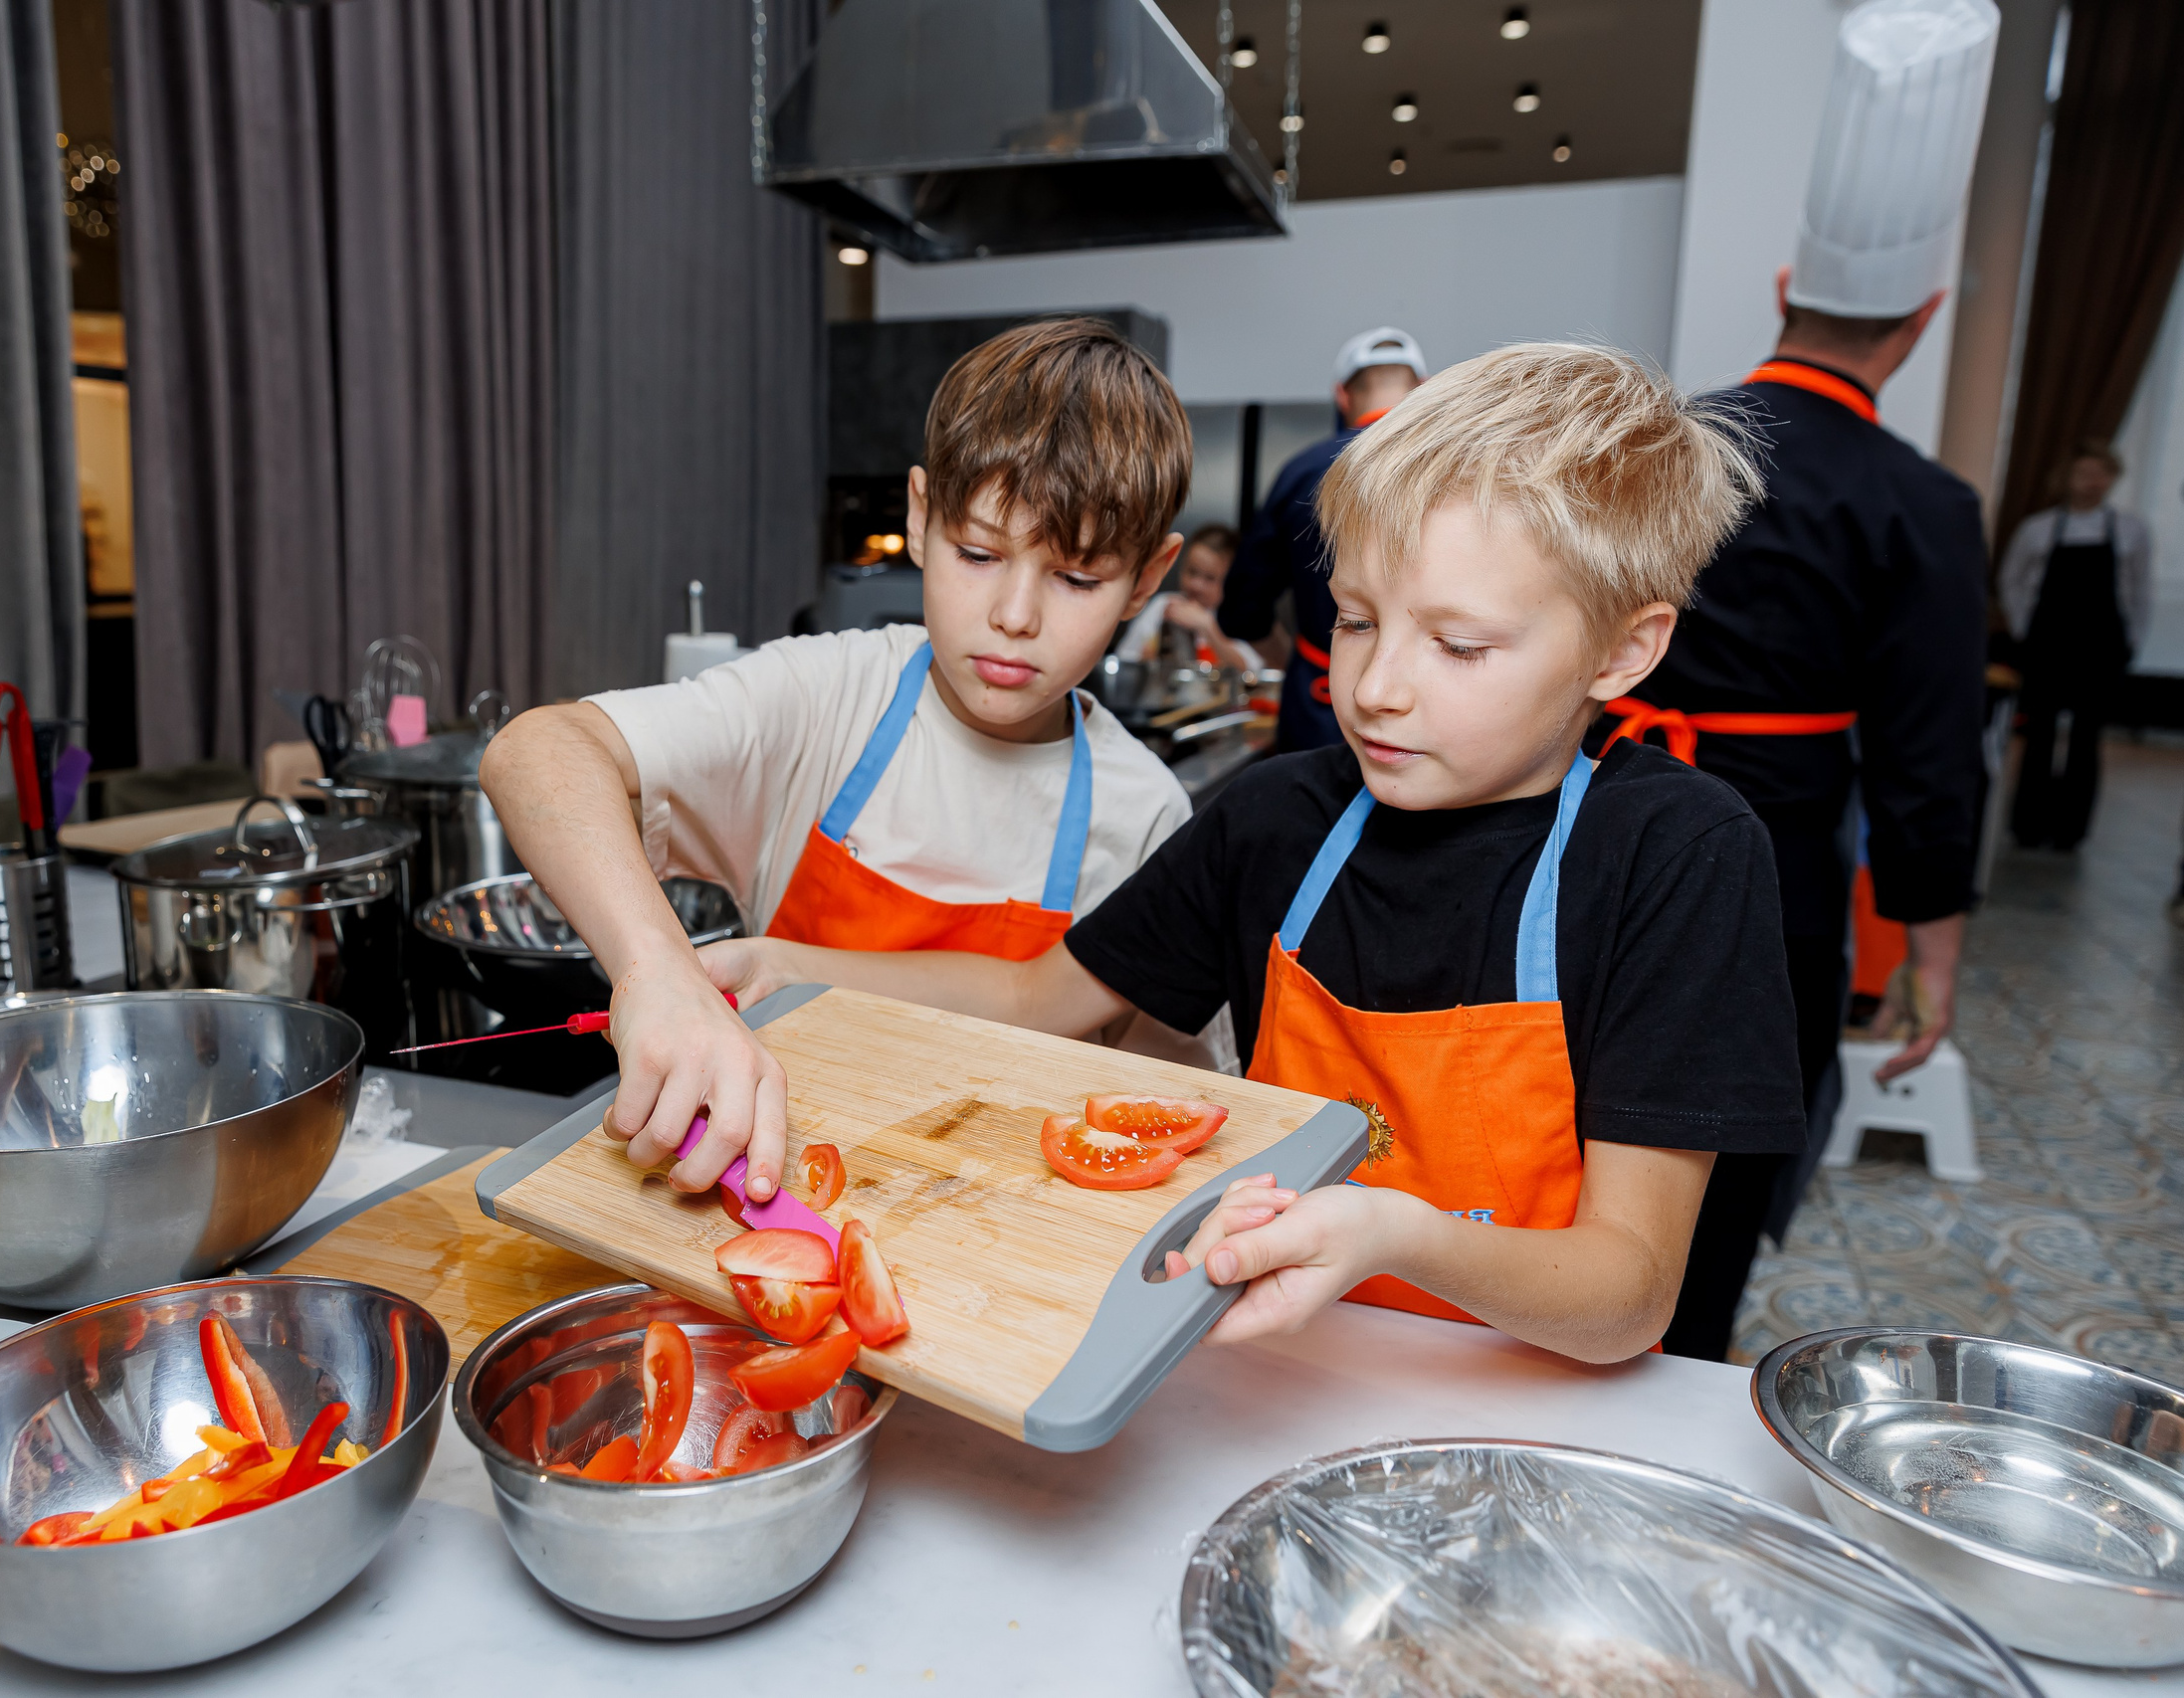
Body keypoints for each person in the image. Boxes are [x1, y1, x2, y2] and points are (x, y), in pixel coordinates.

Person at [705, 343, 1808, 1363]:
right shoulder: (1275, 818)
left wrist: (1396, 1236)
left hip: (1526, 1400)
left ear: (1625, 649)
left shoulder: (1677, 856)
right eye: (1357, 621)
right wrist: (794, 969)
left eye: (1460, 645)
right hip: (1279, 1375)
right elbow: (1036, 993)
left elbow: (1629, 1294)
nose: (1374, 688)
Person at [481, 317, 1203, 1204]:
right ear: (919, 513)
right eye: (977, 553)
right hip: (767, 1196)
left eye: (1078, 578)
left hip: (1009, 1242)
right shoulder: (828, 697)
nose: (1016, 614)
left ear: (1147, 575)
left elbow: (1167, 1112)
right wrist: (657, 972)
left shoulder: (1148, 817)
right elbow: (538, 750)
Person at [1603, 0, 1999, 1360]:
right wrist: (1930, 954)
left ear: (1785, 289)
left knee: (1585, 1071)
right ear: (1924, 319)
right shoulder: (1921, 502)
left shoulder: (1659, 439)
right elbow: (1931, 751)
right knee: (1732, 1104)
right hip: (1773, 843)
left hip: (1602, 809)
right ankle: (1684, 1338)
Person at [1220, 327, 1427, 752]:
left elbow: (1243, 609)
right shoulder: (1462, 472)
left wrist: (1293, 655)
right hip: (1427, 704)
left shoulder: (1303, 470)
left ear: (1342, 396)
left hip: (1321, 705)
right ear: (1422, 389)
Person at [2000, 443, 2152, 850]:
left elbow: (2139, 590)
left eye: (2100, 473)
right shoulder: (2039, 527)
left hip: (2100, 646)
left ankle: (2072, 830)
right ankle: (2028, 826)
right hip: (2049, 643)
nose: (2092, 481)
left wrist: (2132, 638)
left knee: (2087, 738)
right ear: (2066, 478)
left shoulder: (2130, 530)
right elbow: (2012, 580)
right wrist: (2023, 629)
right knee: (2040, 733)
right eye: (2084, 472)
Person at [1115, 522, 1263, 671]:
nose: (1196, 585)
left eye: (1210, 578)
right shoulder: (1162, 606)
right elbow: (1125, 659)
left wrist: (1207, 626)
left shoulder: (1234, 619)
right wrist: (1147, 657)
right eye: (1192, 572)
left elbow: (1250, 673)